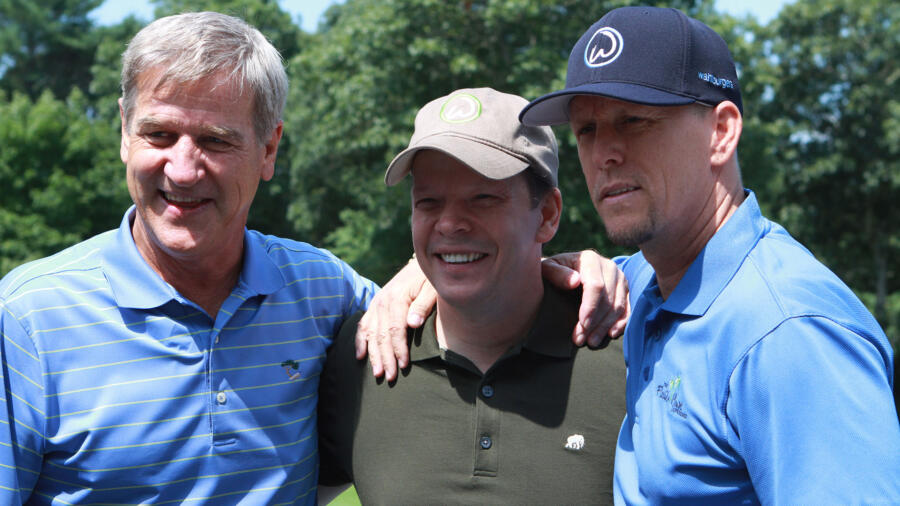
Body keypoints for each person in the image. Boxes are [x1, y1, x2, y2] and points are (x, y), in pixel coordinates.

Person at [0, 11, 628, 505]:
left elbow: (449, 288)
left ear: (269, 150)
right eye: (159, 134)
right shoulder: (27, 320)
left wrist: (545, 261)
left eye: (218, 140)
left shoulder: (321, 293)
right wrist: (450, 255)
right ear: (122, 133)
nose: (183, 168)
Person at [519, 6, 900, 504]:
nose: (604, 153)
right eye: (587, 130)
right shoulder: (650, 283)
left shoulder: (787, 332)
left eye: (634, 120)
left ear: (721, 132)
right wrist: (424, 276)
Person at [318, 87, 626, 504]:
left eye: (483, 198)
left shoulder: (624, 354)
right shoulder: (361, 355)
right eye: (428, 201)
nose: (449, 223)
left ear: (548, 215)